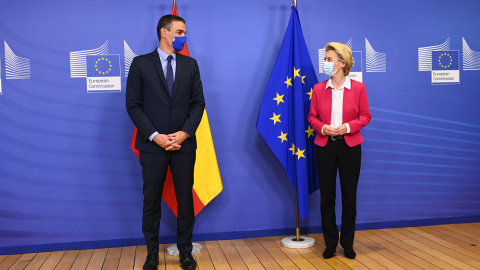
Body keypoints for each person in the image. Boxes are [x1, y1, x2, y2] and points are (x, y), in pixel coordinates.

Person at [126, 14, 205, 270]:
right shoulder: (140, 64)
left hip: (184, 145)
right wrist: (156, 136)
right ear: (164, 32)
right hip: (152, 146)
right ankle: (151, 254)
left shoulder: (190, 64)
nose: (183, 37)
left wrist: (183, 133)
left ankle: (185, 252)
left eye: (184, 32)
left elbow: (199, 104)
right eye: (180, 32)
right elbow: (133, 106)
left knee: (185, 200)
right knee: (151, 202)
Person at [308, 42, 371, 260]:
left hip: (350, 147)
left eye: (329, 59)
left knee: (349, 197)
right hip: (325, 147)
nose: (325, 63)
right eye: (325, 59)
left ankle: (348, 243)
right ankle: (330, 243)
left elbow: (365, 116)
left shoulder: (358, 88)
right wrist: (324, 128)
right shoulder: (318, 89)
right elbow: (312, 118)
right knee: (327, 197)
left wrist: (349, 127)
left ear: (342, 63)